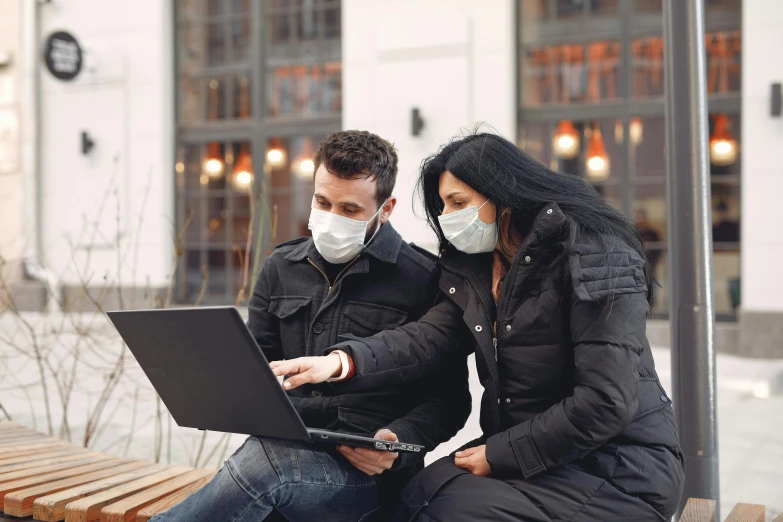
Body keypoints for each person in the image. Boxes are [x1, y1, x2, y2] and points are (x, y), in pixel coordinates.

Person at [272, 133, 685, 521]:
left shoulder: (595, 255)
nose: (447, 217)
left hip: (619, 467)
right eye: (443, 206)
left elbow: (606, 402)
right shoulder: (476, 267)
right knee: (417, 497)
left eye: (457, 202)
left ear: (503, 195)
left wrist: (500, 453)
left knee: (444, 511)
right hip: (534, 452)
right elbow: (426, 338)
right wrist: (341, 362)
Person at [153, 131, 471, 522]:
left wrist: (399, 441)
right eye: (322, 201)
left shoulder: (423, 279)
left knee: (264, 465)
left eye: (350, 209)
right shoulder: (280, 268)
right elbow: (256, 371)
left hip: (367, 480)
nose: (332, 216)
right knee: (265, 461)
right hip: (278, 452)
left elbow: (451, 400)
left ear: (385, 208)